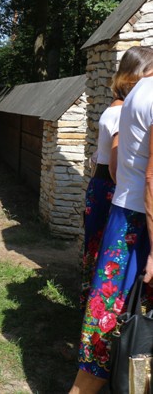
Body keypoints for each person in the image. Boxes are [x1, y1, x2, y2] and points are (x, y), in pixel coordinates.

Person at [70, 59, 153, 394]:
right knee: (113, 335)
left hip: (130, 219)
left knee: (110, 336)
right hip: (139, 228)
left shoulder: (141, 89)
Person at [80, 47, 153, 309]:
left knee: (100, 253)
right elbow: (115, 163)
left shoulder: (120, 105)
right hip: (114, 190)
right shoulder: (123, 110)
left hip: (107, 188)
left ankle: (89, 301)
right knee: (109, 256)